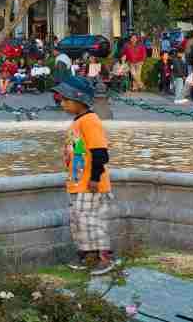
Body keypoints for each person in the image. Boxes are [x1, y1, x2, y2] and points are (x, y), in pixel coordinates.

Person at [55, 74, 118, 276]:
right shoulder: (79, 121)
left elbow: (100, 152)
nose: (62, 103)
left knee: (91, 221)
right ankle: (87, 257)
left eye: (66, 99)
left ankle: (104, 258)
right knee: (80, 221)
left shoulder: (90, 120)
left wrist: (94, 178)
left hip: (90, 184)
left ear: (79, 99)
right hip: (78, 183)